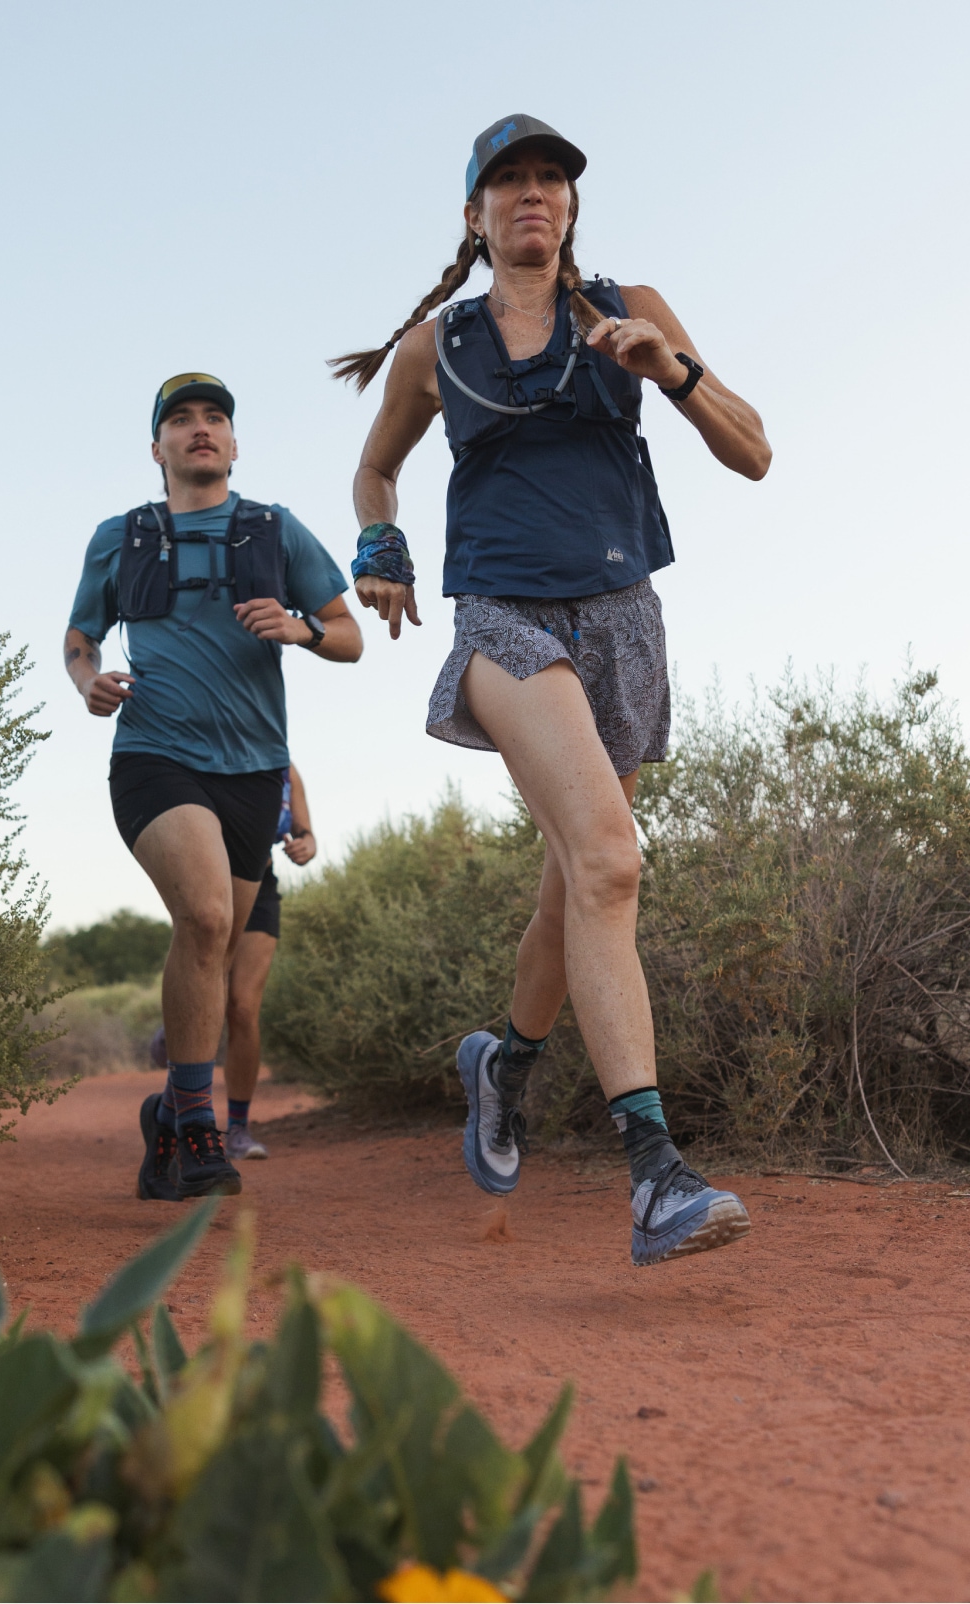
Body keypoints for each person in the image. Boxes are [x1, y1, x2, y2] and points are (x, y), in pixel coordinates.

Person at [331, 114, 771, 1266]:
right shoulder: (443, 346)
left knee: (573, 886)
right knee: (615, 859)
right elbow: (377, 465)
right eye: (508, 182)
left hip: (626, 620)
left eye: (551, 181)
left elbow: (756, 449)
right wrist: (379, 548)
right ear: (475, 216)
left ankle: (505, 1066)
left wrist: (666, 369)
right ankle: (655, 1173)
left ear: (571, 207)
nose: (533, 196)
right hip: (505, 619)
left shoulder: (629, 306)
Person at [65, 372, 361, 1201]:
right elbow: (79, 635)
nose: (201, 429)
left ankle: (167, 1120)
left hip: (253, 771)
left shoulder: (276, 530)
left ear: (234, 444)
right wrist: (86, 679)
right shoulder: (120, 538)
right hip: (155, 756)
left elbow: (349, 636)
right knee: (203, 914)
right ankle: (198, 1120)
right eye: (182, 419)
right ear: (156, 448)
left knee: (217, 946)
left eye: (215, 418)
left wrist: (300, 629)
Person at [221, 762, 316, 1160]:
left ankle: (238, 1128)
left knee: (242, 1007)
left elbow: (306, 834)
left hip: (261, 887)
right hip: (208, 883)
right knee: (206, 993)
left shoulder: (284, 769)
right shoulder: (207, 744)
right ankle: (179, 1113)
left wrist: (306, 845)